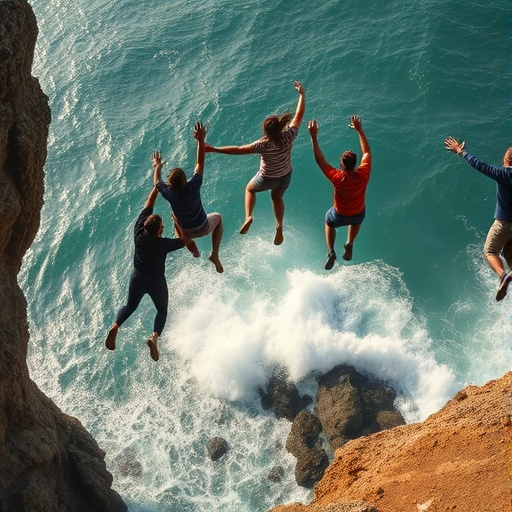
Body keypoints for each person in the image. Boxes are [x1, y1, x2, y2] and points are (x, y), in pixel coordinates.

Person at [105, 152, 191, 362]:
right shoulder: (162, 244)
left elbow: (149, 203)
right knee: (162, 311)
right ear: (160, 231)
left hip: (137, 277)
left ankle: (116, 326)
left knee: (130, 306)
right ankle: (154, 337)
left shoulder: (139, 229)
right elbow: (183, 241)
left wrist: (157, 174)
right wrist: (177, 222)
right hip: (155, 282)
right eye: (162, 227)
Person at [205, 81, 306, 245]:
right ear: (280, 127)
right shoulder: (289, 135)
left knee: (250, 189)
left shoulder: (261, 145)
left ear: (265, 131)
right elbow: (299, 115)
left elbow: (238, 149)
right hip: (286, 175)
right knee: (277, 198)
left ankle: (249, 216)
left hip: (267, 177)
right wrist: (302, 95)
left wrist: (214, 149)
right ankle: (279, 225)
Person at [444, 136, 512, 301]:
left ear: (506, 160)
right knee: (509, 253)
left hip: (503, 225)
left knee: (490, 251)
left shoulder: (502, 173)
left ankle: (502, 275)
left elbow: (480, 165)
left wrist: (460, 151)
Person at [155, 122, 224, 273]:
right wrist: (200, 141)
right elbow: (199, 162)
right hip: (203, 227)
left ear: (170, 184)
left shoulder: (169, 194)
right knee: (218, 218)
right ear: (185, 179)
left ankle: (195, 253)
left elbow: (157, 182)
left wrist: (157, 167)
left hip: (186, 232)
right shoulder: (194, 185)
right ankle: (215, 255)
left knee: (175, 220)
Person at [307, 115, 372, 270]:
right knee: (357, 219)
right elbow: (367, 153)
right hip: (358, 213)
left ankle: (331, 251)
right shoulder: (364, 173)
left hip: (339, 214)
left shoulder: (337, 177)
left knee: (329, 222)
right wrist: (360, 130)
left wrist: (314, 137)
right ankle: (349, 243)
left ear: (342, 165)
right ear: (355, 163)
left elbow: (320, 161)